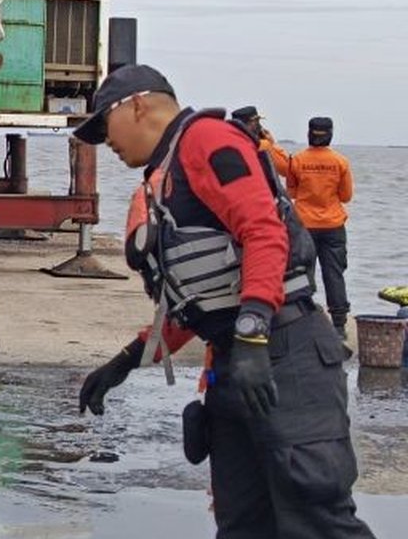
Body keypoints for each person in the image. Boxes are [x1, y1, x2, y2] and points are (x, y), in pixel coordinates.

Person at [73, 65, 374, 539]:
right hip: (236, 361)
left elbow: (263, 232)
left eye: (103, 126)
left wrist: (253, 330)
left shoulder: (206, 141)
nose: (103, 142)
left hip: (286, 353)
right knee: (243, 523)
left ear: (137, 106)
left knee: (314, 518)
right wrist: (128, 360)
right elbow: (201, 297)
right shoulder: (166, 173)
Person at [288, 116, 354, 337]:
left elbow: (292, 193)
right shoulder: (340, 162)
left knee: (303, 273)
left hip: (304, 224)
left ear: (309, 133)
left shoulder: (297, 160)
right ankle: (339, 325)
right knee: (334, 273)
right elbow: (346, 196)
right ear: (330, 134)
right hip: (333, 224)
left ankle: (303, 322)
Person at [230, 105, 288, 176]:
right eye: (256, 121)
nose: (260, 125)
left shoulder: (230, 144)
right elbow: (286, 169)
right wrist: (272, 144)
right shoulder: (263, 145)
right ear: (250, 123)